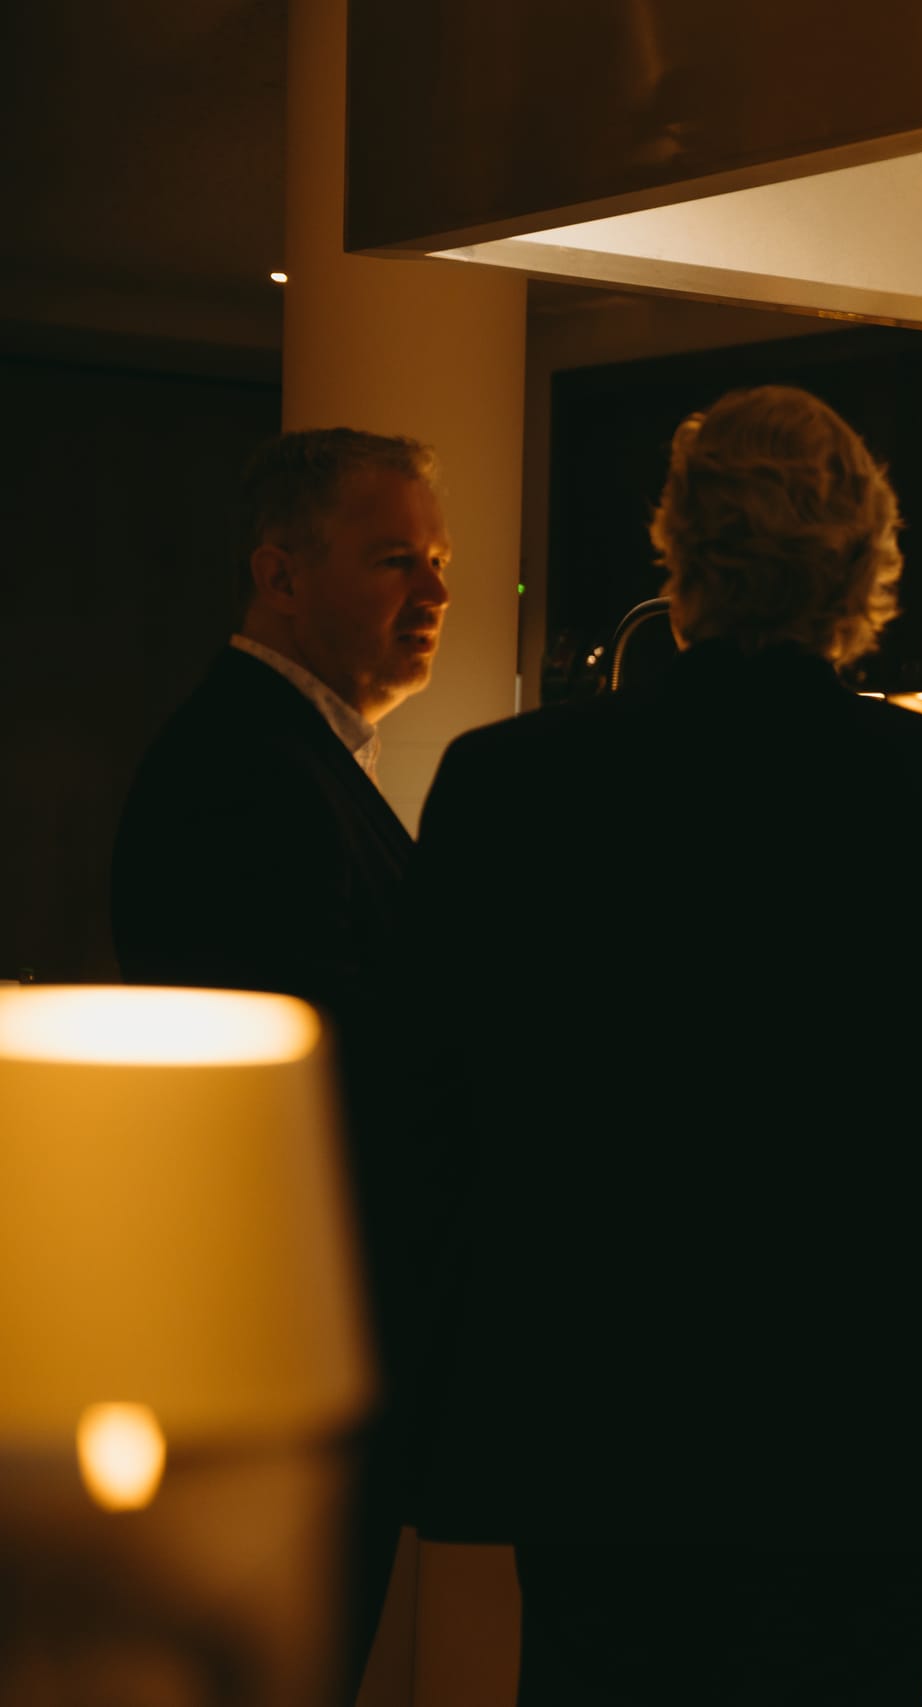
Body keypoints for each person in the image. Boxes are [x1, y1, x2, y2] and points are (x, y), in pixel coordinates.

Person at [400, 384, 922, 1703]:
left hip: (590, 1420)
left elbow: (426, 1107)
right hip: (842, 1438)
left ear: (677, 551)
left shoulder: (507, 781)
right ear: (865, 569)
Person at [110, 425, 451, 1694]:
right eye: (395, 561)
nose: (436, 593)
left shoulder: (283, 757)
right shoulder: (248, 772)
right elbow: (324, 1074)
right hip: (286, 1351)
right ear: (280, 574)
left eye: (438, 562)